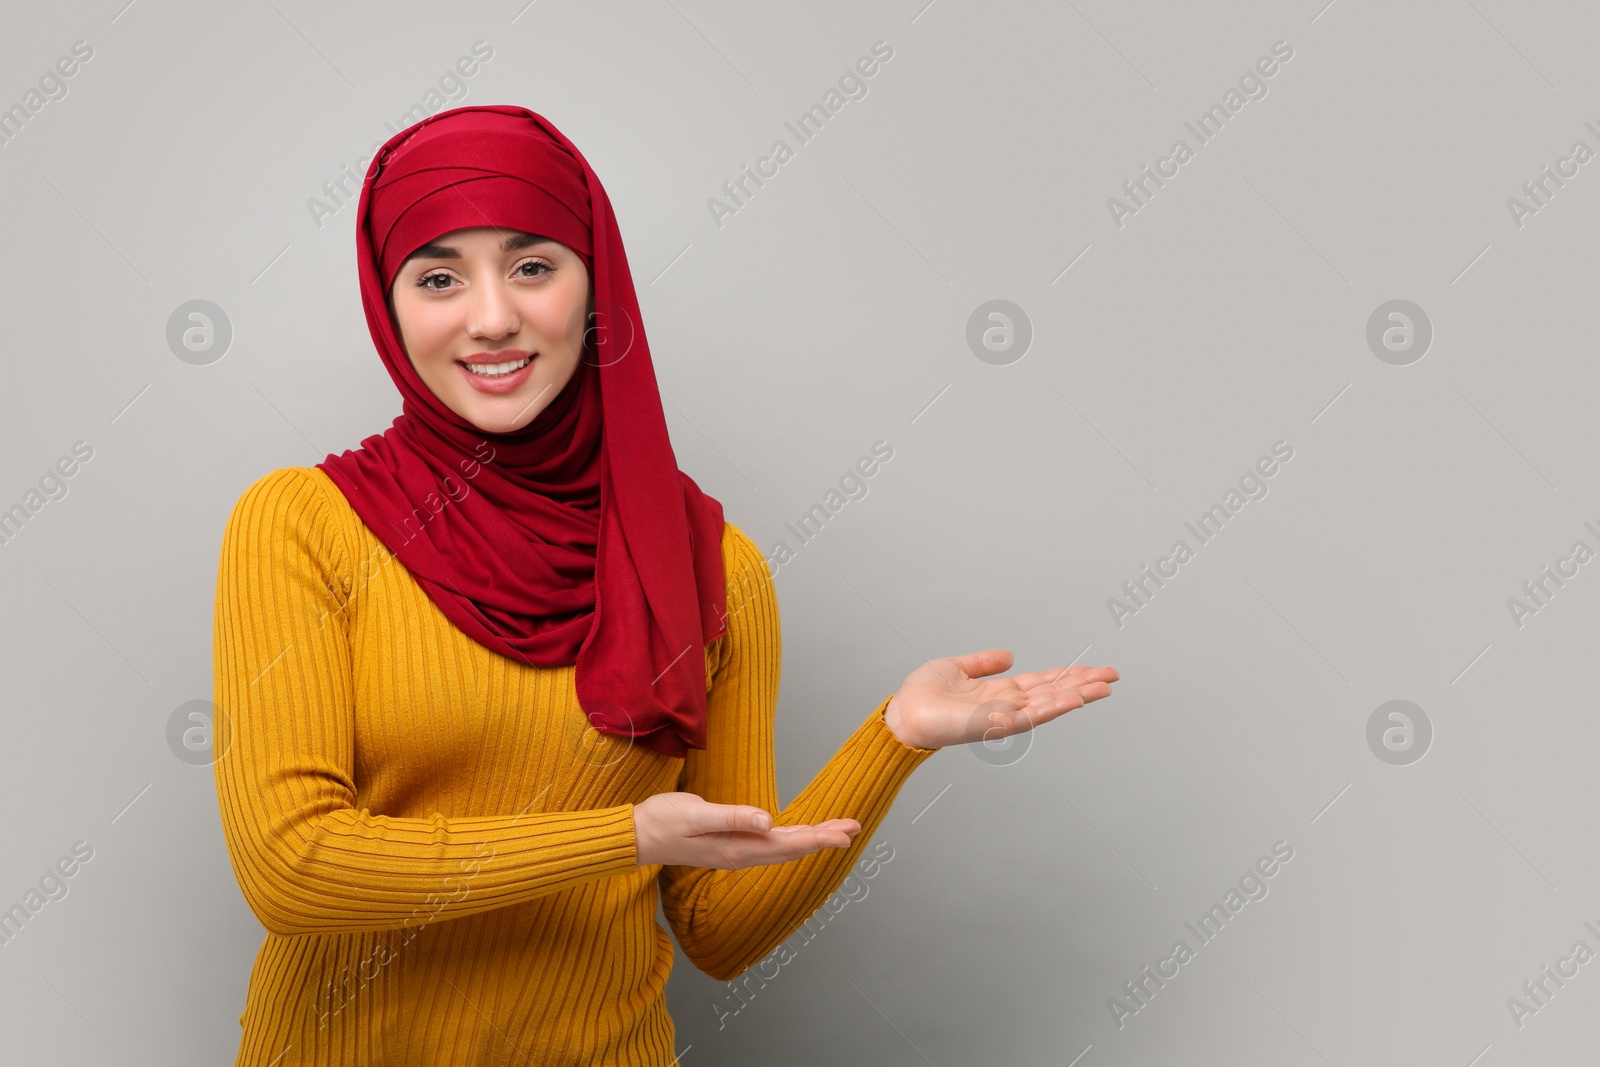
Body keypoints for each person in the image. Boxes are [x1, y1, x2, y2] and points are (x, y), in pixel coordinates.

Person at [211, 104, 1118, 1066]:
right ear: (388, 307)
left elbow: (719, 931)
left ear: (595, 285)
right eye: (439, 277)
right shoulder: (300, 526)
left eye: (532, 266)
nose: (491, 316)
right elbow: (291, 867)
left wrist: (893, 740)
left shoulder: (712, 565)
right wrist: (624, 834)